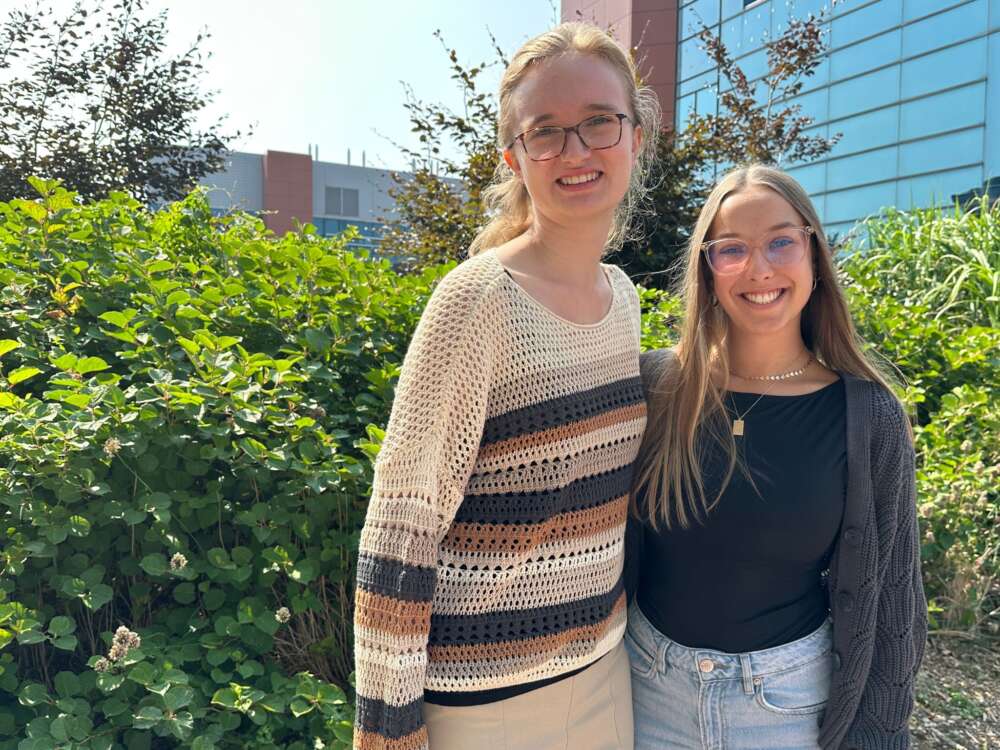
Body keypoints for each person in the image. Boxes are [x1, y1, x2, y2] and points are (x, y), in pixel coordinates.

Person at [353, 21, 660, 750]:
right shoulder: (478, 302)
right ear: (515, 157)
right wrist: (389, 734)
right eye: (545, 131)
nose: (575, 151)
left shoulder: (625, 301)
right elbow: (401, 529)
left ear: (635, 137)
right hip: (486, 706)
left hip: (606, 678)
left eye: (598, 123)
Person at [625, 164, 927, 749]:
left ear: (814, 251)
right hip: (645, 693)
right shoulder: (659, 387)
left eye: (781, 241)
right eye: (731, 249)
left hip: (786, 707)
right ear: (708, 270)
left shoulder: (867, 415)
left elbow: (894, 600)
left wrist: (880, 735)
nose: (759, 268)